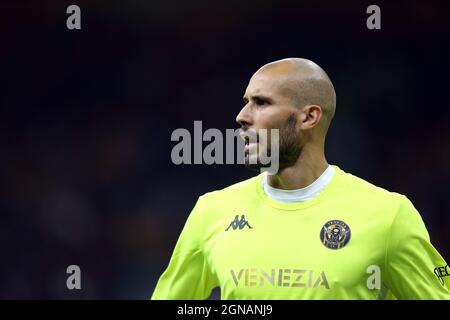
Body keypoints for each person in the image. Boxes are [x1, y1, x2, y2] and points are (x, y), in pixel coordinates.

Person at [151, 58, 450, 299]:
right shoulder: (212, 211)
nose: (242, 115)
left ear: (309, 117)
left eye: (262, 102)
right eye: (246, 101)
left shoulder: (388, 216)